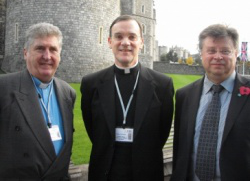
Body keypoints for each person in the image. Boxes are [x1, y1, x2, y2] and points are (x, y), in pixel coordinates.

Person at [81, 15, 174, 181]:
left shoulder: (162, 85)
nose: (125, 42)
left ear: (141, 42)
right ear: (109, 42)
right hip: (104, 173)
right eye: (118, 36)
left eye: (132, 37)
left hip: (147, 172)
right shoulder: (91, 84)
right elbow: (93, 130)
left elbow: (162, 132)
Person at [171, 24, 250, 181]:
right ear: (202, 54)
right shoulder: (184, 95)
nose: (218, 56)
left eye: (225, 51)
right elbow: (180, 148)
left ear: (236, 53)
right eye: (211, 50)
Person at [0, 22, 76, 180]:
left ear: (60, 55)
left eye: (53, 50)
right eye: (40, 48)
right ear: (26, 53)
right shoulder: (4, 87)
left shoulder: (68, 93)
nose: (47, 56)